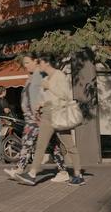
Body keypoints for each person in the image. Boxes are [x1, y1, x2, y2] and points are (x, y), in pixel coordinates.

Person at [15, 55, 85, 186]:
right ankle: (32, 174)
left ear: (47, 63)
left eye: (40, 62)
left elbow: (65, 95)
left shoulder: (59, 75)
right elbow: (47, 98)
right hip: (47, 115)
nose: (39, 65)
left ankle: (78, 174)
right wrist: (39, 104)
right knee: (41, 145)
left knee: (70, 146)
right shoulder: (45, 78)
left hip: (58, 115)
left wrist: (50, 86)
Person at [4, 54, 69, 182]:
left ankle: (21, 169)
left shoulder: (40, 75)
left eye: (28, 62)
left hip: (37, 117)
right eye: (24, 63)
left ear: (36, 61)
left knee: (27, 142)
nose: (25, 65)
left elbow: (44, 93)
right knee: (53, 145)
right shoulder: (32, 77)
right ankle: (63, 171)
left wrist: (40, 110)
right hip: (32, 117)